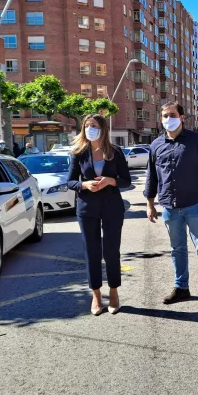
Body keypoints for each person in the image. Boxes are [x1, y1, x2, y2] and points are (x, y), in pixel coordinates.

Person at [145, 102, 198, 310]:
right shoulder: (156, 145)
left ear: (182, 117)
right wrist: (150, 203)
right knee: (177, 249)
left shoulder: (196, 140)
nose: (168, 119)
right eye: (164, 116)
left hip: (195, 205)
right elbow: (152, 176)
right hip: (169, 207)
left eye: (172, 115)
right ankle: (181, 288)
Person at [67, 114, 131, 316]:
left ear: (102, 129)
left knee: (111, 251)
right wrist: (84, 184)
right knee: (92, 251)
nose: (89, 129)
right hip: (87, 208)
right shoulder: (78, 153)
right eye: (87, 126)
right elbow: (70, 182)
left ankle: (113, 292)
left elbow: (126, 180)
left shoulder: (115, 151)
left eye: (93, 125)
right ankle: (96, 295)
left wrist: (110, 181)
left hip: (112, 207)